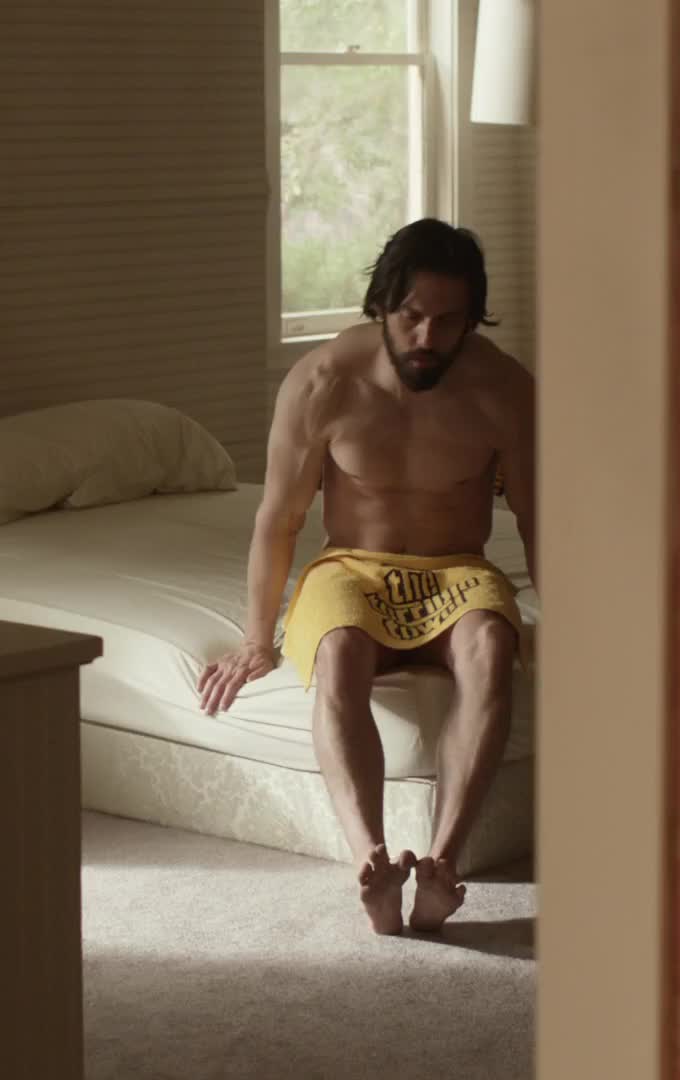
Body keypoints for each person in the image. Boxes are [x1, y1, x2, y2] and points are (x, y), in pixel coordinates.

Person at [197, 219, 538, 935]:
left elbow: (541, 518)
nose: (427, 337)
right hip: (351, 564)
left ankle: (442, 866)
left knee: (489, 645)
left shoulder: (504, 388)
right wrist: (257, 638)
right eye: (412, 315)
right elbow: (279, 519)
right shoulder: (322, 382)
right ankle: (371, 864)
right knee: (340, 648)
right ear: (381, 305)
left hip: (457, 568)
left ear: (473, 317)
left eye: (449, 321)